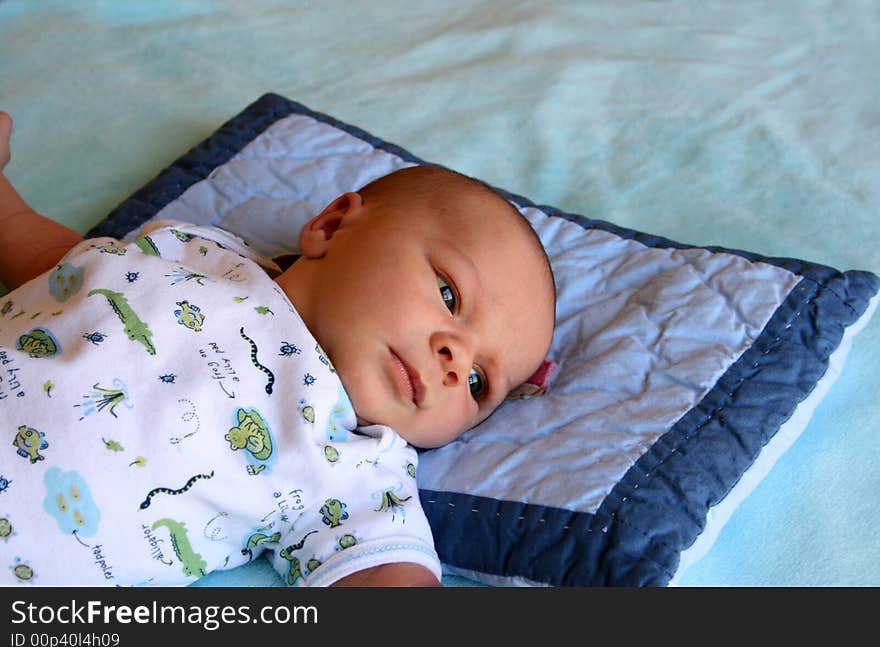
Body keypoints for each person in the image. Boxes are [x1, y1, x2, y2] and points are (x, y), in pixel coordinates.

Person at [0, 111, 556, 587]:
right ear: (334, 225)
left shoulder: (353, 463)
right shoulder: (199, 252)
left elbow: (388, 573)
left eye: (481, 383)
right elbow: (67, 269)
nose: (457, 365)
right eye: (448, 294)